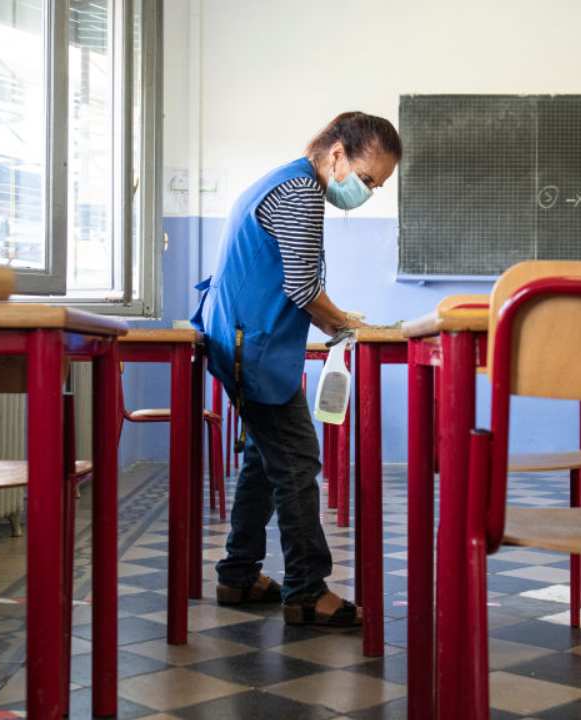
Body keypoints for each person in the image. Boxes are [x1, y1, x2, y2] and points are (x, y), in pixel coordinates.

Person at [191, 112, 401, 627]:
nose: (367, 192)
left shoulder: (286, 181)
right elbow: (303, 288)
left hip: (241, 341)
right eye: (368, 179)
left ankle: (238, 575)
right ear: (337, 155)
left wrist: (340, 320)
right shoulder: (301, 192)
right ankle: (307, 590)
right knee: (299, 461)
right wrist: (346, 326)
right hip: (250, 347)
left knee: (266, 460)